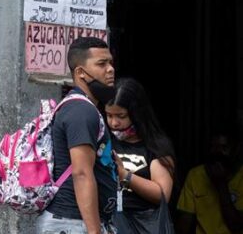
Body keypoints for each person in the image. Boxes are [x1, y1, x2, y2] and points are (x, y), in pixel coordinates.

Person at [37, 37, 118, 234]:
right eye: (101, 64)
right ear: (81, 72)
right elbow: (81, 173)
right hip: (71, 224)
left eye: (110, 63)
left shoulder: (82, 107)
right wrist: (94, 231)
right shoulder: (82, 111)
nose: (110, 69)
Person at [105, 78, 176, 233]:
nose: (114, 123)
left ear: (137, 113)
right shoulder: (104, 139)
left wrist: (125, 176)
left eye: (121, 116)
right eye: (109, 115)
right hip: (109, 222)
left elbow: (162, 194)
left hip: (145, 225)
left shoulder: (155, 146)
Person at [176, 130, 243, 234]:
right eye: (213, 147)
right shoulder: (195, 175)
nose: (217, 152)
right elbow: (184, 225)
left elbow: (236, 226)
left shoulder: (241, 177)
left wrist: (221, 185)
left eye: (224, 148)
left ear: (236, 150)